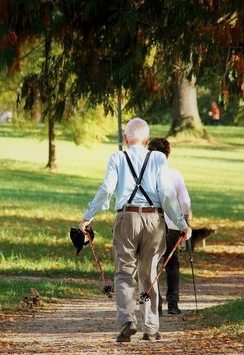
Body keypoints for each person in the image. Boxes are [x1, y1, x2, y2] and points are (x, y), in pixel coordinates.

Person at [78, 118, 192, 342]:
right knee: (149, 273)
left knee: (124, 272)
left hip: (126, 218)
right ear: (147, 140)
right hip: (154, 219)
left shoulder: (117, 157)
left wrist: (87, 217)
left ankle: (128, 321)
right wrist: (182, 224)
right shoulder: (158, 158)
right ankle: (150, 327)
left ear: (125, 139)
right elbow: (168, 196)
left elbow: (107, 190)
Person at [148, 138, 192, 315]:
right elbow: (184, 201)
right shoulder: (175, 175)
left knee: (152, 263)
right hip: (173, 225)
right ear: (168, 154)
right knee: (172, 264)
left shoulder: (147, 175)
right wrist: (186, 217)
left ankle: (155, 305)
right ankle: (173, 304)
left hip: (152, 224)